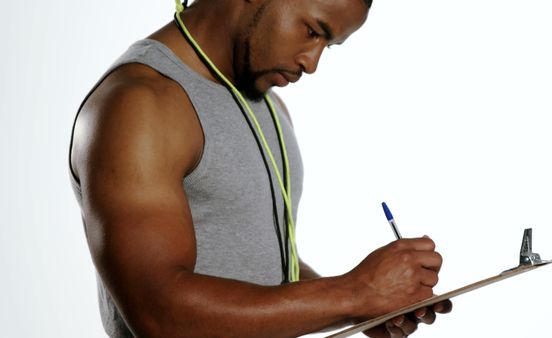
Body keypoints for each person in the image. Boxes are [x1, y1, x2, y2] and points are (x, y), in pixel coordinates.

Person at [68, 0, 452, 337]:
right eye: (313, 31)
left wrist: (364, 309)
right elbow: (159, 315)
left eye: (328, 46)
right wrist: (355, 292)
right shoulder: (139, 104)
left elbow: (267, 269)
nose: (312, 62)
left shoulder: (267, 104)